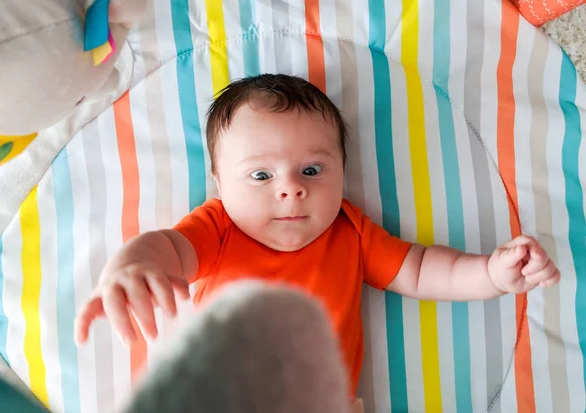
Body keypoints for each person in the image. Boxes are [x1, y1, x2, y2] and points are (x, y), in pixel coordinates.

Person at [74, 74, 560, 397]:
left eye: (311, 169)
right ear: (221, 186)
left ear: (342, 175)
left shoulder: (349, 232)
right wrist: (131, 267)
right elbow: (166, 249)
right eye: (261, 176)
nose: (291, 189)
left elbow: (422, 270)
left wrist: (492, 272)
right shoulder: (219, 226)